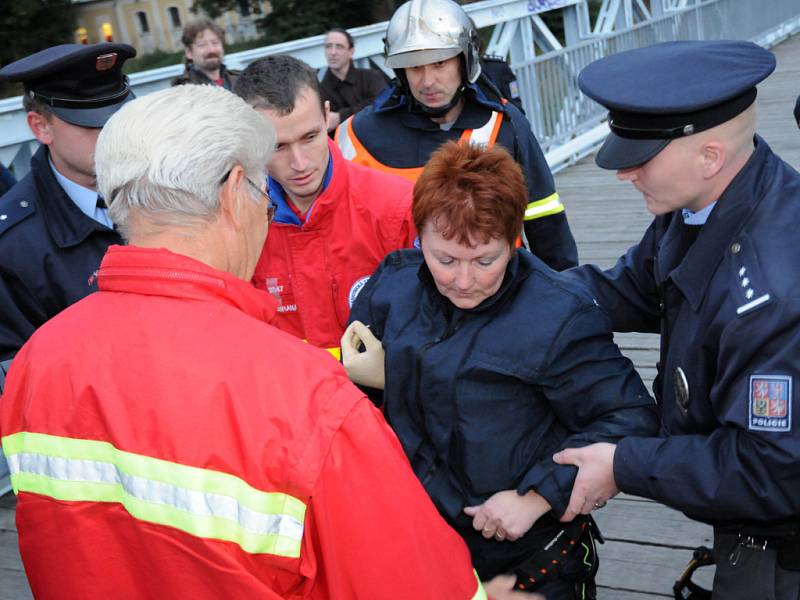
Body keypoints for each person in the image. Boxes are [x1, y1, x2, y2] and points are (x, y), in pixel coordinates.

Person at [0, 83, 531, 600]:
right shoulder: (306, 398)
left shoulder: (36, 361)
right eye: (260, 189)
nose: (264, 207)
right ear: (234, 191)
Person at [341, 141, 659, 599]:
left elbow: (630, 419)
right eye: (444, 259)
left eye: (485, 260)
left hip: (526, 556)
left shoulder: (557, 316)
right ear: (420, 238)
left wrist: (536, 497)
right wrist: (372, 384)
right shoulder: (393, 287)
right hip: (420, 549)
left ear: (513, 240)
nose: (463, 280)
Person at [553, 41, 800, 599]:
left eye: (641, 158)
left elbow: (767, 470)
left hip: (780, 545)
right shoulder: (699, 203)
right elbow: (630, 289)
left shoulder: (775, 294)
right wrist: (508, 289)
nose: (624, 174)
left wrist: (623, 464)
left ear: (710, 155)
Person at [335, 0, 578, 271]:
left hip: (497, 294)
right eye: (415, 67)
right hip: (400, 298)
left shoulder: (504, 124)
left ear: (465, 59)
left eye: (439, 63)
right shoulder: (357, 136)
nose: (427, 81)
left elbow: (544, 216)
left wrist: (565, 294)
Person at [233, 55, 415, 356]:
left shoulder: (397, 207)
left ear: (327, 115)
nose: (300, 163)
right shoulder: (238, 227)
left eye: (310, 137)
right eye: (277, 147)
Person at [0, 43, 135, 362]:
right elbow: (20, 374)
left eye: (119, 117)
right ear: (40, 126)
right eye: (92, 123)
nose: (110, 134)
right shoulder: (13, 247)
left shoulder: (167, 191)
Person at [319, 28, 388, 133]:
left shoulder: (371, 77)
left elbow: (383, 103)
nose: (333, 52)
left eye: (339, 46)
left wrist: (340, 117)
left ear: (351, 51)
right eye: (328, 46)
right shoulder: (320, 90)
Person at [171, 18, 239, 89]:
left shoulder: (241, 79)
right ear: (189, 52)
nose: (211, 50)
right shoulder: (183, 90)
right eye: (202, 44)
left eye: (215, 42)